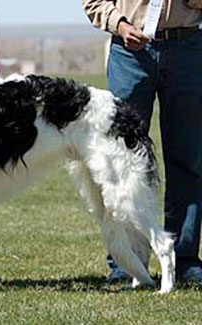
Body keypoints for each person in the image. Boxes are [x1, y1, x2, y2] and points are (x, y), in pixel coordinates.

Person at [82, 0, 202, 283]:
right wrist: (120, 25)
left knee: (188, 160)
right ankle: (126, 263)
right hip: (129, 54)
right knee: (122, 164)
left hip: (188, 47)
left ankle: (184, 260)